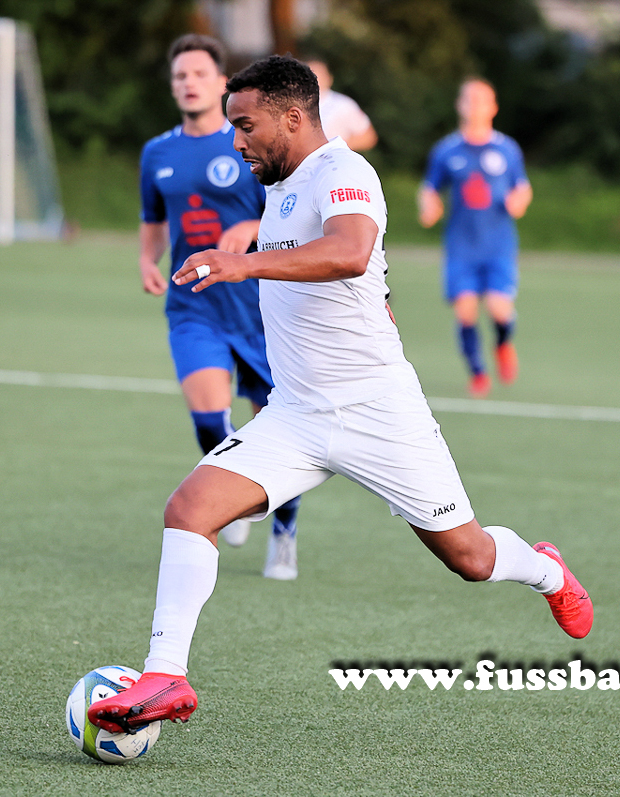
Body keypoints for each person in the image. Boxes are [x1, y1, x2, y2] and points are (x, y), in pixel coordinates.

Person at [88, 55, 592, 733]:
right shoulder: (278, 185)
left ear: (293, 117)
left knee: (470, 558)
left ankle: (546, 570)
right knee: (189, 509)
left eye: (246, 125)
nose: (235, 141)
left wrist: (242, 262)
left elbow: (351, 251)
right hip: (296, 413)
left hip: (378, 411)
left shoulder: (343, 171)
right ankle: (164, 676)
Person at [139, 34, 303, 579]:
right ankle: (229, 496)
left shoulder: (250, 142)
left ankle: (284, 532)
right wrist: (147, 260)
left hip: (261, 309)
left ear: (220, 84)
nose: (188, 83)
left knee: (279, 433)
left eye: (198, 74)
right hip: (194, 306)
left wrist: (251, 227)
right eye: (179, 76)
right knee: (210, 419)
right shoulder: (157, 152)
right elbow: (152, 220)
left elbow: (289, 210)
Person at [418, 78, 532, 398]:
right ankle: (478, 373)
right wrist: (429, 206)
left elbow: (522, 187)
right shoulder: (446, 150)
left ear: (493, 107)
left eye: (483, 100)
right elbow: (429, 188)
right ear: (460, 105)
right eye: (470, 99)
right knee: (465, 311)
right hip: (461, 247)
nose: (476, 106)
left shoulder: (507, 149)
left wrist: (519, 201)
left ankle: (503, 344)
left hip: (498, 246)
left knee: (499, 309)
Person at [305, 58, 377, 152]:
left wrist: (334, 149)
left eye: (319, 75)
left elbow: (368, 137)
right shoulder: (294, 103)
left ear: (329, 78)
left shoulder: (343, 104)